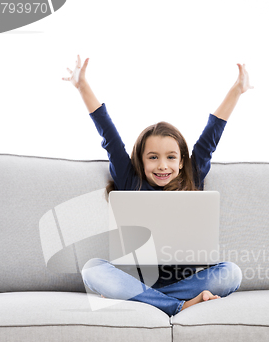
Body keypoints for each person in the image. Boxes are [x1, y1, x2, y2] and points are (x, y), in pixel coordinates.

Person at [62, 55, 253, 316]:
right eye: (153, 157)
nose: (163, 165)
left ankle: (141, 300)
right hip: (137, 282)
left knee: (231, 273)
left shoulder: (191, 179)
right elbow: (109, 136)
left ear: (182, 161)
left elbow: (211, 136)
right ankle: (178, 306)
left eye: (171, 157)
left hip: (183, 284)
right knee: (92, 269)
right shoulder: (130, 181)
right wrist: (82, 86)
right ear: (140, 160)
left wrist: (237, 90)